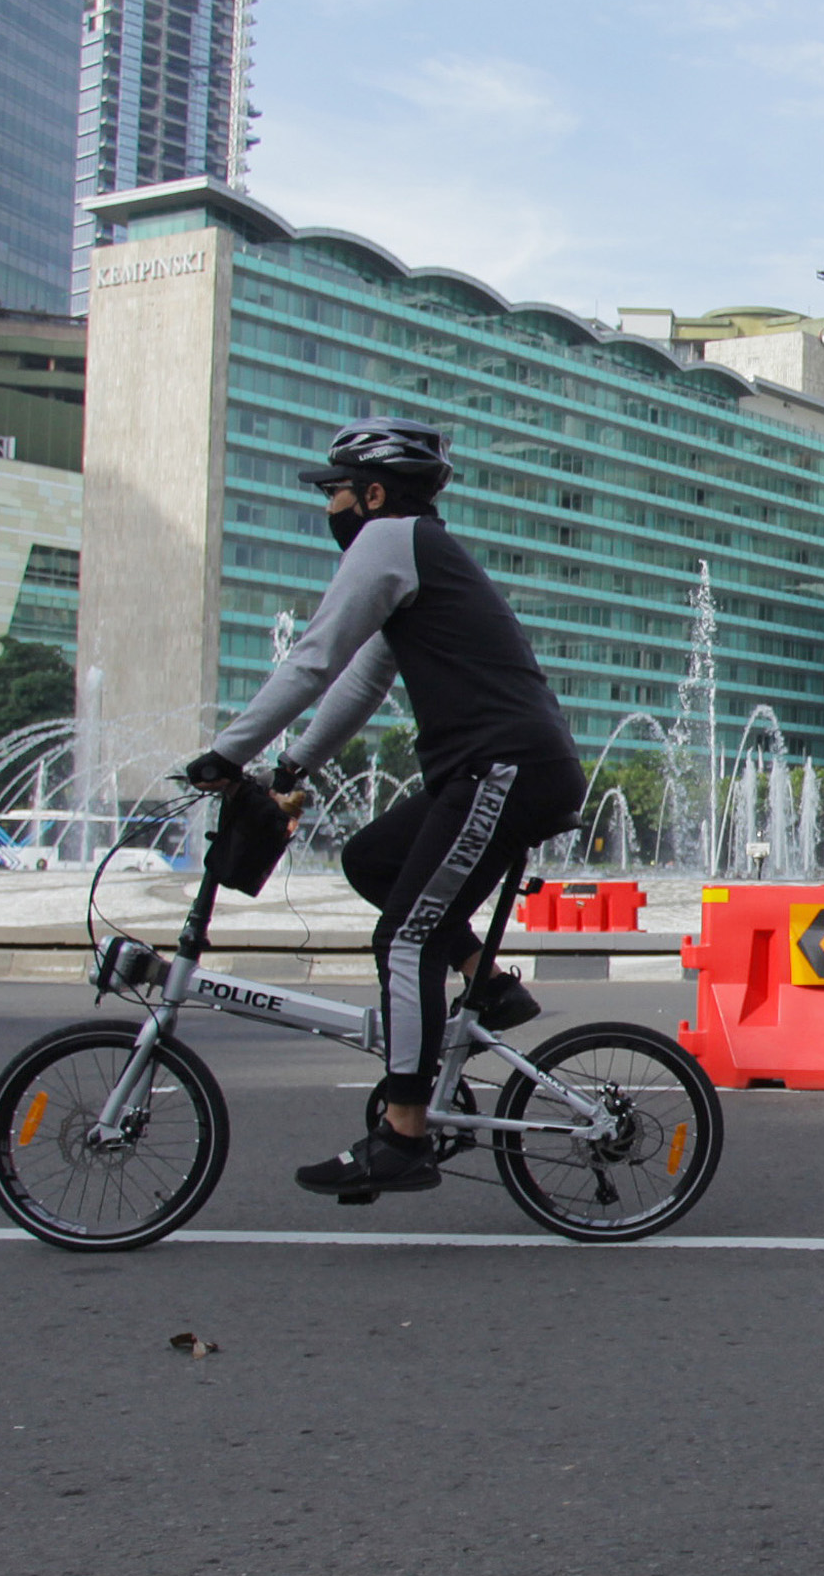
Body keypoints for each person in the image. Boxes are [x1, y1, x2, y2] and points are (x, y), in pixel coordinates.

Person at [185, 418, 590, 1201]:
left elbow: (311, 659)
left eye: (334, 492)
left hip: (503, 768)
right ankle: (488, 982)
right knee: (370, 860)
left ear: (372, 494)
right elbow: (361, 681)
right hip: (490, 771)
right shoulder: (414, 556)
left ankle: (403, 1134)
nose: (328, 506)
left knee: (403, 940)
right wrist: (292, 765)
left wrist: (226, 754)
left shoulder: (391, 537)